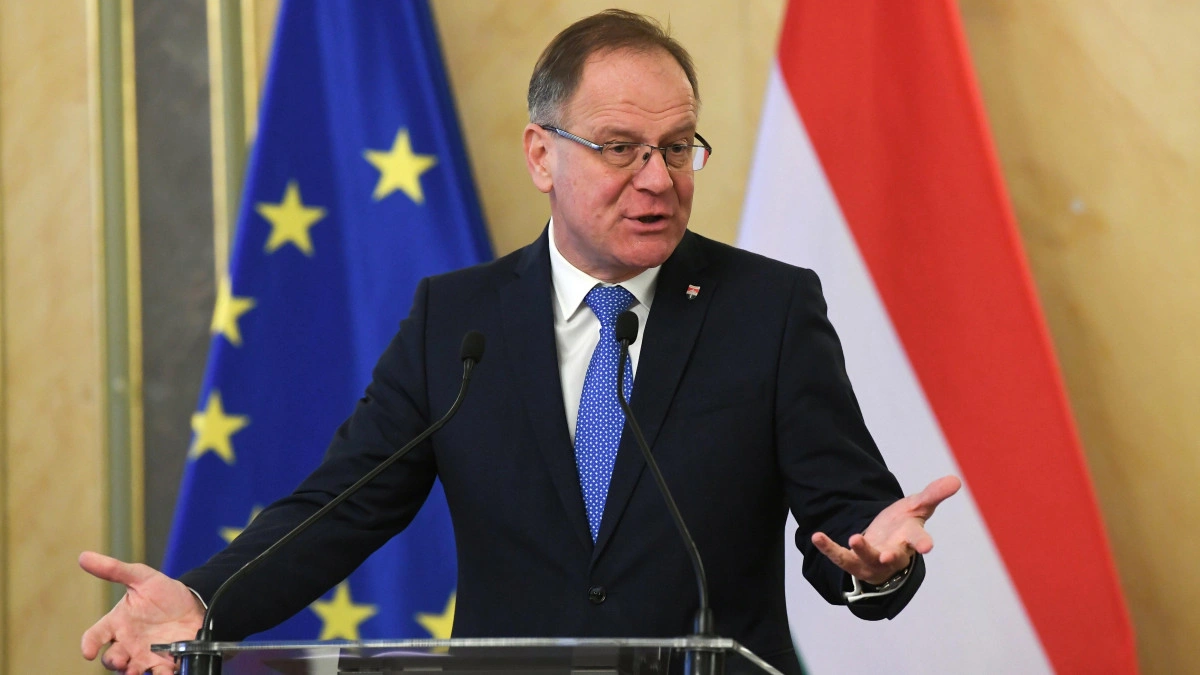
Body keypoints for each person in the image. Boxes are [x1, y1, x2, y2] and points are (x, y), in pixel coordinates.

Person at [81, 10, 960, 675]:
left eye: (677, 147)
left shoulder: (767, 308)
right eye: (620, 148)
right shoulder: (456, 321)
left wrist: (875, 564)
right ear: (542, 155)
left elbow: (853, 518)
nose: (658, 179)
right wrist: (202, 598)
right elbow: (339, 507)